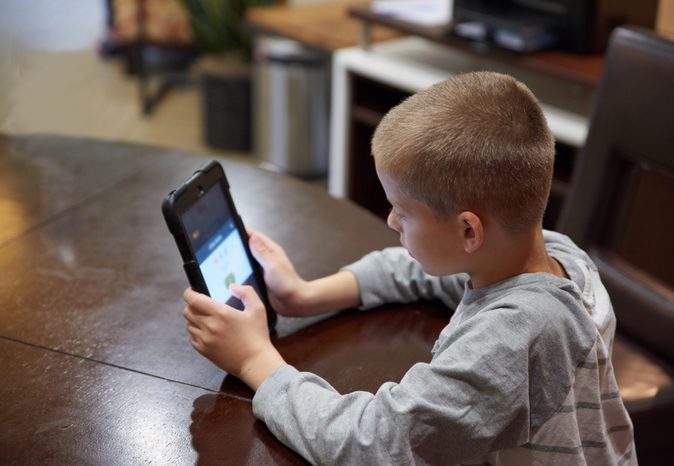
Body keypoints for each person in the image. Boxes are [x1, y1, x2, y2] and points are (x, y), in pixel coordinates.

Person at [182, 71, 637, 465]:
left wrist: (255, 360)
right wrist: (307, 295)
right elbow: (418, 269)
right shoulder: (558, 256)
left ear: (468, 233)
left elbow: (373, 445)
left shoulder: (515, 339)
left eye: (403, 210)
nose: (391, 221)